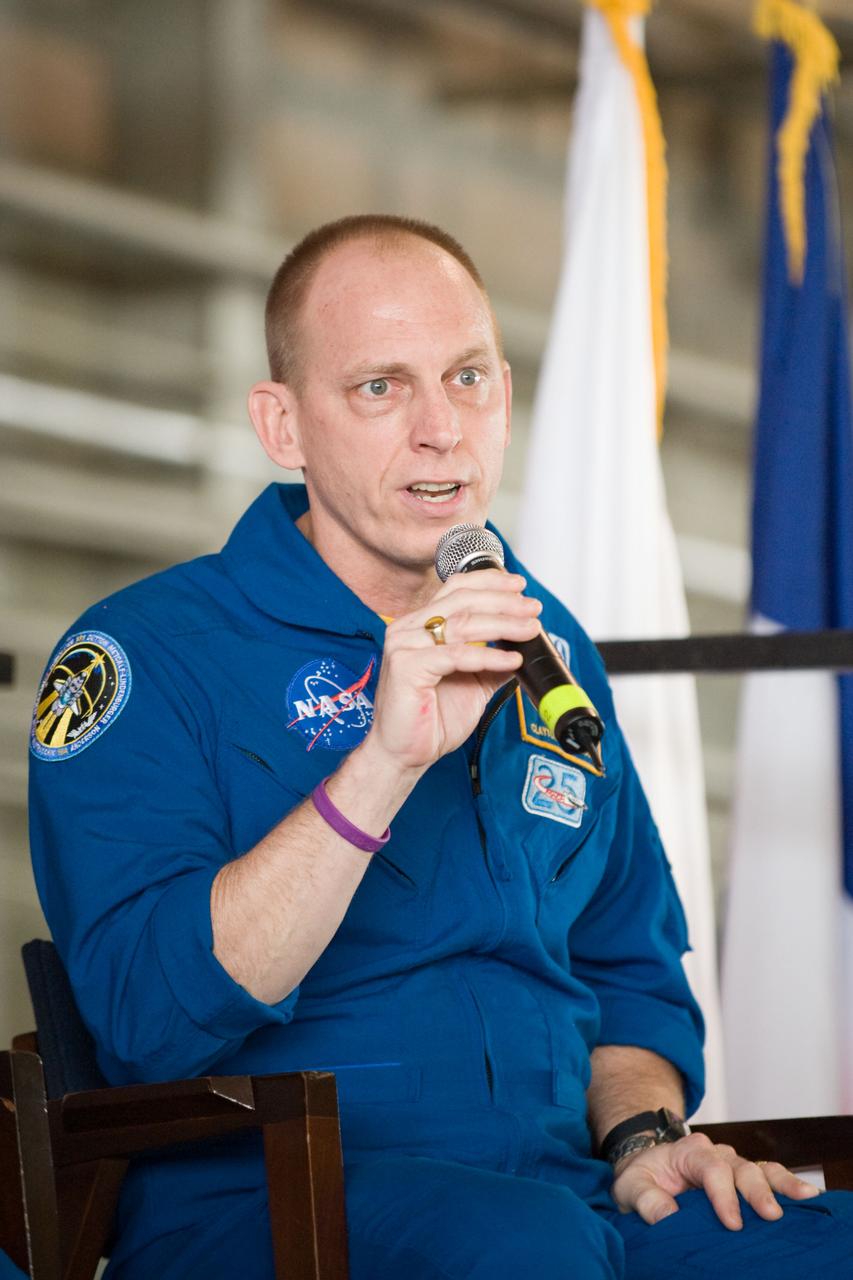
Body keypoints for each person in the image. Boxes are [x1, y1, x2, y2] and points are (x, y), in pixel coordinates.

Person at [28, 215, 853, 1279]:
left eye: (466, 378)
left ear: (505, 394)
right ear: (284, 427)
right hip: (272, 1206)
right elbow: (146, 1020)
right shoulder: (144, 655)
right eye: (380, 387)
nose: (440, 429)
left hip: (566, 1190)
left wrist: (646, 1139)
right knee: (526, 1246)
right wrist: (381, 763)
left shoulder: (548, 648)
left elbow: (628, 977)